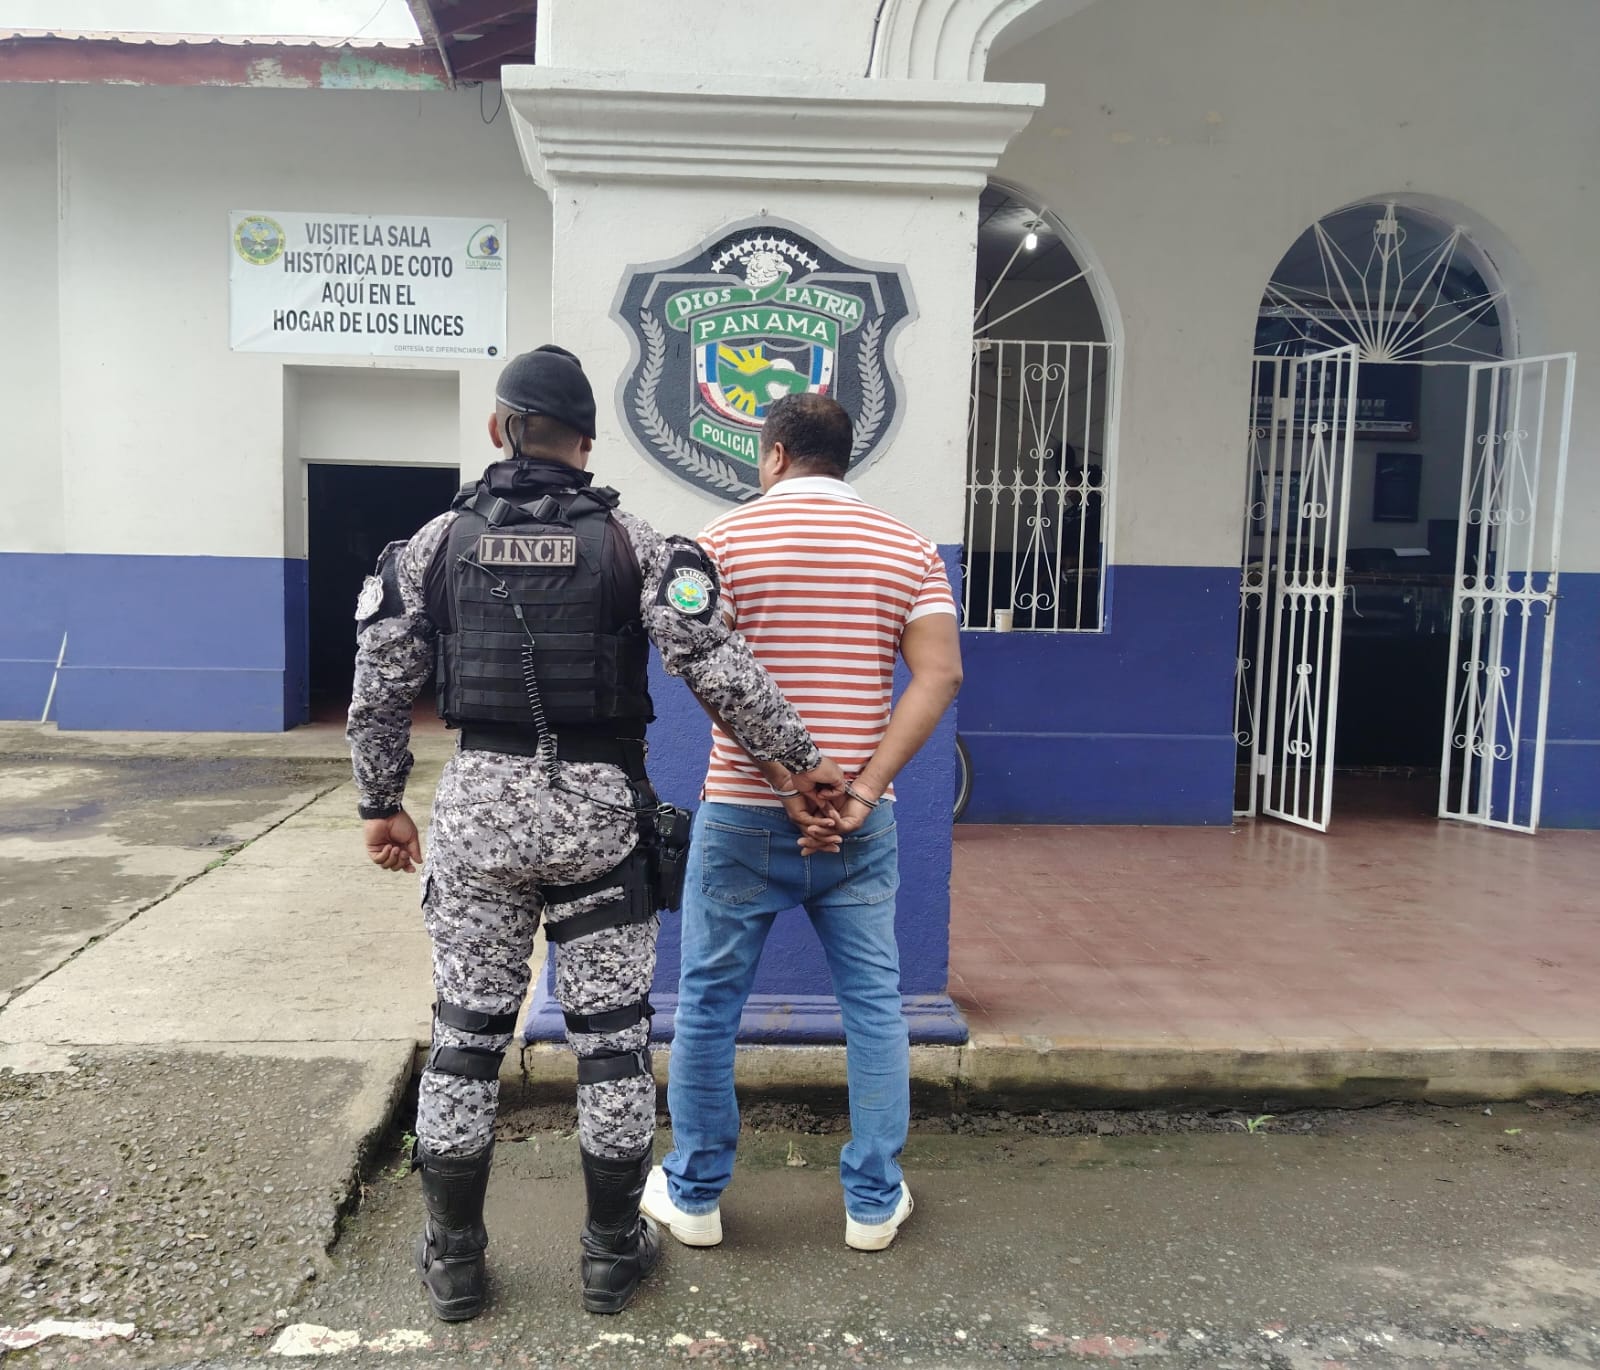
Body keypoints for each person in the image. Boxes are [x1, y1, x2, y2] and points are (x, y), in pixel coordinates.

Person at [346, 346, 842, 1320]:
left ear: (498, 429)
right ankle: (611, 1255)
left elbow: (378, 684)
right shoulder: (633, 544)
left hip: (479, 820)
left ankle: (454, 1262)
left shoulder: (432, 545)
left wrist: (380, 804)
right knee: (611, 1045)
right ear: (587, 441)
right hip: (599, 821)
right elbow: (720, 667)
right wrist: (799, 762)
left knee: (465, 1038)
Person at [642, 393, 963, 1253]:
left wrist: (785, 781)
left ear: (775, 454)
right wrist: (859, 792)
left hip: (743, 814)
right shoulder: (910, 549)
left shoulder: (720, 542)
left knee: (709, 1005)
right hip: (861, 823)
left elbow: (701, 669)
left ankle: (695, 1194)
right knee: (875, 1009)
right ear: (845, 456)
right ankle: (872, 1204)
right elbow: (940, 675)